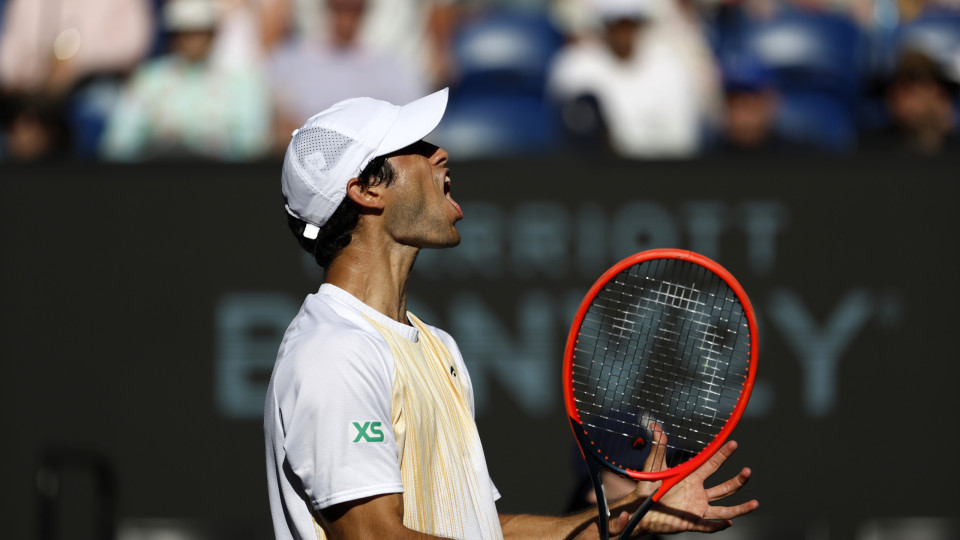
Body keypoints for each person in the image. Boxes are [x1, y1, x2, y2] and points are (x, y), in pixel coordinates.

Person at [263, 88, 759, 539]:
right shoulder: (334, 352)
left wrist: (628, 515)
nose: (440, 153)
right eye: (416, 145)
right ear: (367, 190)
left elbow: (479, 528)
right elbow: (376, 539)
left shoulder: (437, 347)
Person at [100, 0, 270, 161]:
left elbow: (253, 146)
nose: (193, 41)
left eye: (201, 32)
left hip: (219, 179)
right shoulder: (150, 79)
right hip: (159, 177)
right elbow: (119, 144)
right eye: (186, 33)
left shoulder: (242, 83)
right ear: (175, 36)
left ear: (213, 35)